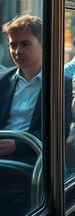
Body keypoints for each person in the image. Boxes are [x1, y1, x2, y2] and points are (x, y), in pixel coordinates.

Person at [0, 14, 44, 163]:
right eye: (13, 45)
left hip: (35, 158)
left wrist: (17, 145)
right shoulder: (3, 79)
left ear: (42, 44)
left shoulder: (60, 83)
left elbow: (59, 132)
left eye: (25, 44)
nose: (17, 51)